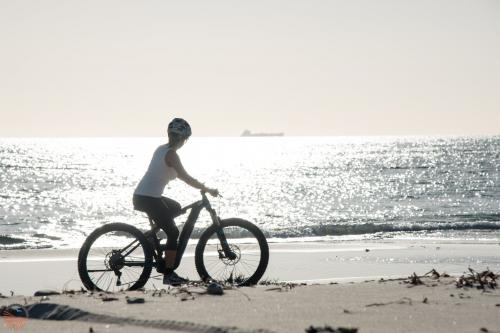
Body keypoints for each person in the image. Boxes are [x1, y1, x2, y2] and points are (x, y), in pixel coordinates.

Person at [133, 118, 219, 285]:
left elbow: (179, 175)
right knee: (173, 233)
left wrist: (199, 185)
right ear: (183, 139)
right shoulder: (172, 155)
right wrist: (207, 189)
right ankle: (169, 273)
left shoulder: (162, 149)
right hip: (148, 198)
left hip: (145, 196)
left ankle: (152, 241)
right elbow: (185, 177)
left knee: (176, 207)